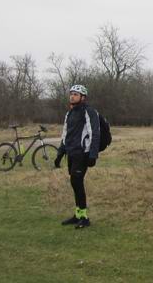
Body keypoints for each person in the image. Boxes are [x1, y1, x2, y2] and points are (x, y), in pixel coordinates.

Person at [54, 84, 101, 229]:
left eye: (76, 94)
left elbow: (95, 133)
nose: (72, 96)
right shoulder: (69, 113)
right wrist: (60, 153)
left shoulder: (89, 111)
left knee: (77, 182)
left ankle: (84, 218)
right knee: (74, 183)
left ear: (83, 97)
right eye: (71, 94)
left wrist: (93, 155)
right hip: (71, 153)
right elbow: (65, 134)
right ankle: (77, 215)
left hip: (83, 154)